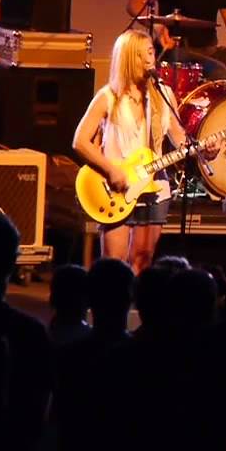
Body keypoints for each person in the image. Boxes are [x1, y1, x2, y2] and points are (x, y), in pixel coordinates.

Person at [72, 30, 194, 273]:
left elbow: (181, 140)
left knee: (142, 260)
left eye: (151, 52)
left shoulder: (163, 94)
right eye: (142, 54)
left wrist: (204, 150)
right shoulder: (108, 97)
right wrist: (111, 170)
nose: (150, 59)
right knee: (113, 264)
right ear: (128, 59)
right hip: (117, 188)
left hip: (155, 188)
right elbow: (80, 141)